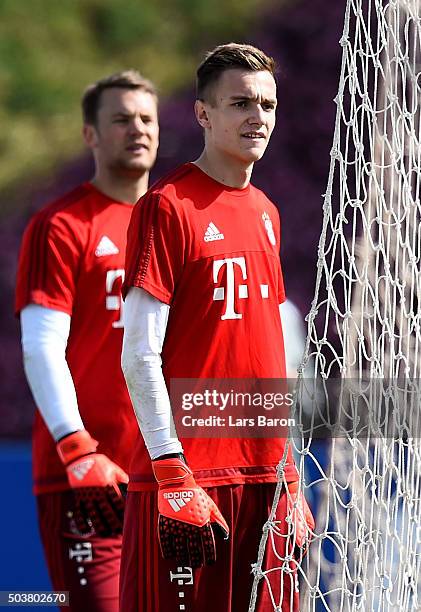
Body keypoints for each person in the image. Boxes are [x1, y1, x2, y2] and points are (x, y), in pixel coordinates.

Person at [121, 44, 314, 611]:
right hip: (191, 480)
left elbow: (273, 356)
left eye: (268, 105)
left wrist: (289, 471)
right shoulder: (167, 206)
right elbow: (138, 351)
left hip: (265, 480)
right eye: (240, 103)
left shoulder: (267, 212)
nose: (258, 117)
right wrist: (169, 468)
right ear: (204, 114)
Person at [15, 70, 159, 612]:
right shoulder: (61, 225)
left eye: (146, 118)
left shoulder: (178, 223)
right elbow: (40, 347)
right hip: (88, 482)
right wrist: (77, 450)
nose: (136, 129)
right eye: (120, 119)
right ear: (91, 135)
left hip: (170, 482)